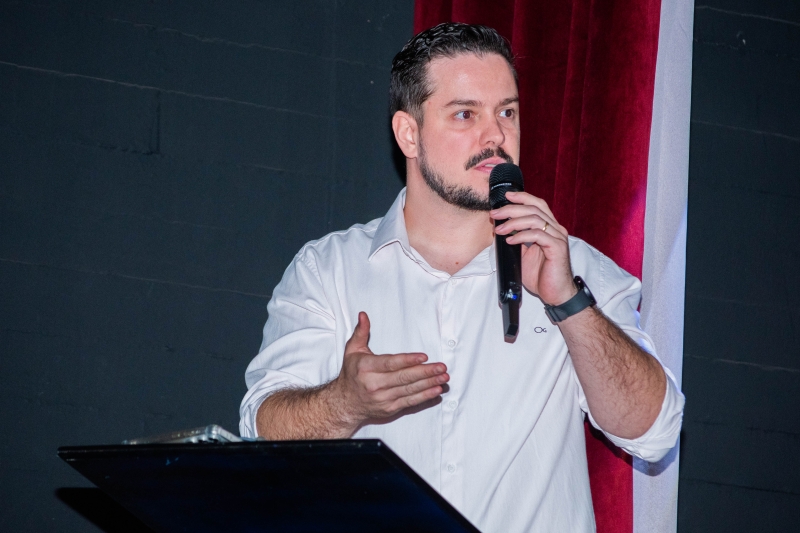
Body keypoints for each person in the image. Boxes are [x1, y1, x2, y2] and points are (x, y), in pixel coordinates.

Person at [240, 22, 683, 532]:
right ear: (409, 133)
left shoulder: (570, 265)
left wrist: (569, 303)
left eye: (507, 112)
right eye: (465, 114)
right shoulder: (329, 270)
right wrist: (345, 402)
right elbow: (260, 434)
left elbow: (656, 431)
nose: (495, 136)